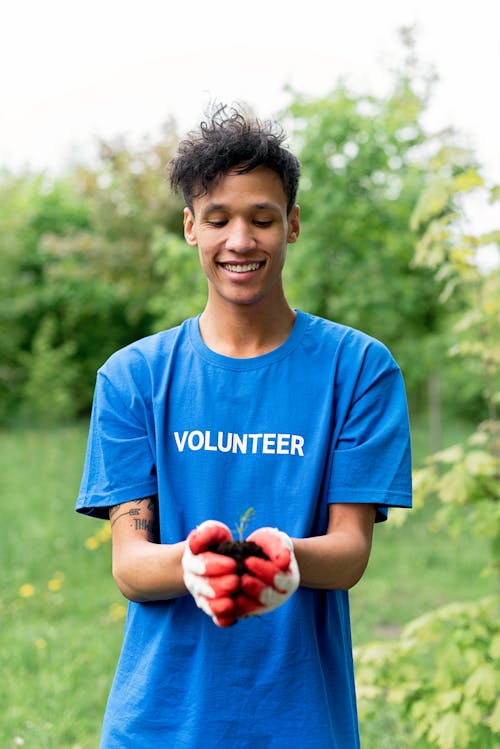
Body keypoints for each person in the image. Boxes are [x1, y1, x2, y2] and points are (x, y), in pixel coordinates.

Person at [76, 106, 412, 748]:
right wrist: (201, 562)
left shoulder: (359, 368)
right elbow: (132, 565)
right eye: (218, 219)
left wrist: (277, 559)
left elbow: (347, 553)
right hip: (159, 725)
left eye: (262, 219)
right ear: (189, 228)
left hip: (303, 723)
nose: (240, 240)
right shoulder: (132, 378)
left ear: (291, 225)